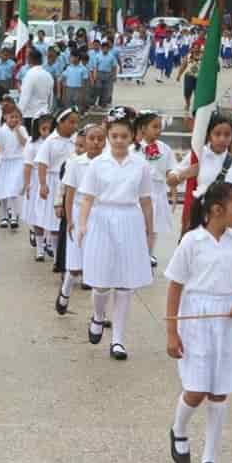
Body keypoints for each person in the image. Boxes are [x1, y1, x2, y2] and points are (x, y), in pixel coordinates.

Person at [165, 181, 232, 463]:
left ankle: (211, 459)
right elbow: (175, 286)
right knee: (197, 389)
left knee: (219, 391)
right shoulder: (192, 242)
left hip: (228, 321)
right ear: (217, 210)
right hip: (197, 318)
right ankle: (179, 428)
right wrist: (172, 332)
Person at [78, 110, 154, 361]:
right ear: (109, 136)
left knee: (124, 283)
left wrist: (148, 229)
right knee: (101, 281)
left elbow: (145, 200)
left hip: (129, 219)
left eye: (124, 136)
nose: (119, 140)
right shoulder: (97, 164)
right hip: (102, 219)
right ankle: (98, 316)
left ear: (132, 137)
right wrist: (82, 225)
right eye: (114, 136)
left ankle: (118, 340)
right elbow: (87, 197)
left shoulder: (140, 165)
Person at [169, 115, 232, 250]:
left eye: (227, 135)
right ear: (209, 135)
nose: (222, 139)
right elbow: (170, 180)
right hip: (201, 221)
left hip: (229, 225)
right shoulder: (197, 156)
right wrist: (185, 174)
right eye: (217, 134)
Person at [56, 123, 106, 314]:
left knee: (98, 265)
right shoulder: (75, 163)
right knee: (76, 265)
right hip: (79, 213)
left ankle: (98, 313)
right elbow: (69, 193)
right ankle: (65, 291)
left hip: (100, 214)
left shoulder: (107, 163)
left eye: (100, 139)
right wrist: (69, 220)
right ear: (85, 140)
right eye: (92, 138)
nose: (95, 142)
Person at [34, 107, 80, 262]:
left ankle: (61, 254)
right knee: (52, 220)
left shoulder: (76, 140)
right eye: (70, 122)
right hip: (54, 182)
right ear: (60, 123)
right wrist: (43, 184)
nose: (74, 126)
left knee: (65, 219)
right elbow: (42, 164)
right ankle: (47, 251)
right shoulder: (50, 142)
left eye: (76, 122)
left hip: (71, 183)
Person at [135, 111, 178, 267]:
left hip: (158, 190)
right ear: (143, 128)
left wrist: (172, 178)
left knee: (153, 225)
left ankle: (149, 253)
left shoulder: (164, 148)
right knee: (139, 224)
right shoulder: (134, 147)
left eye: (160, 127)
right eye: (154, 127)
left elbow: (171, 168)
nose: (158, 130)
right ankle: (136, 252)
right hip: (140, 191)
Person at [22, 114, 54, 253]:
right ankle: (39, 248)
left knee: (50, 214)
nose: (47, 132)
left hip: (52, 180)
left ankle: (49, 242)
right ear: (38, 129)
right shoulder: (33, 144)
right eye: (44, 129)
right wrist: (27, 184)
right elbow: (28, 166)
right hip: (36, 180)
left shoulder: (55, 142)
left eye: (50, 129)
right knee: (37, 214)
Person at [19, 50, 54, 134]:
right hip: (44, 114)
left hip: (31, 115)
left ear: (29, 59)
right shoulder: (48, 75)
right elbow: (51, 97)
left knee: (31, 142)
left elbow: (25, 97)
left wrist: (19, 114)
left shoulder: (30, 74)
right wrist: (48, 110)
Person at [93, 41, 119, 109]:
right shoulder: (98, 56)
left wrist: (114, 75)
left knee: (106, 89)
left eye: (106, 48)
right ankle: (97, 102)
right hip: (99, 73)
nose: (105, 49)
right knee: (98, 88)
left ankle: (103, 104)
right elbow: (95, 66)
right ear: (101, 48)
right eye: (103, 48)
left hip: (108, 74)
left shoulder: (111, 56)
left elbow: (114, 67)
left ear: (108, 49)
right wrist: (95, 75)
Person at [177, 43, 202, 111]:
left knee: (198, 93)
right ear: (192, 48)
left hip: (199, 78)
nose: (196, 49)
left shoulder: (203, 56)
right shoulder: (188, 56)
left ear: (200, 49)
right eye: (194, 48)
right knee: (187, 92)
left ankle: (197, 106)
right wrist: (179, 75)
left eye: (197, 48)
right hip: (189, 76)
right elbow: (183, 66)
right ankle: (187, 103)